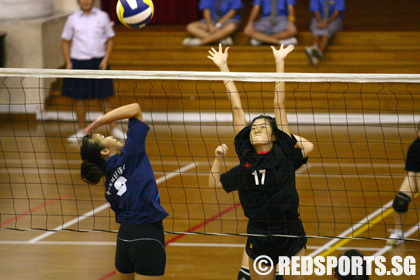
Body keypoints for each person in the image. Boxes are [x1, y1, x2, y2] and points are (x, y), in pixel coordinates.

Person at [208, 43, 313, 280]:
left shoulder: (284, 149)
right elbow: (236, 106)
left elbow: (280, 104)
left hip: (289, 231)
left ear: (274, 135)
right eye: (254, 127)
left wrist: (280, 61)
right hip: (259, 232)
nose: (256, 129)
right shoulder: (246, 153)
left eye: (263, 127)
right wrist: (223, 66)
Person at [80, 102, 169, 279]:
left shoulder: (108, 185)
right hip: (148, 236)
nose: (111, 136)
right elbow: (136, 108)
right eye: (104, 137)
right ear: (105, 151)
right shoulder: (131, 154)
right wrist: (100, 121)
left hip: (124, 241)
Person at [61, 0, 125, 143]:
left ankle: (114, 128)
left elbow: (110, 39)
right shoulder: (72, 19)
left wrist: (106, 59)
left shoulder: (102, 16)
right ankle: (83, 131)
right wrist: (69, 62)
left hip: (99, 62)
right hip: (78, 62)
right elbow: (65, 41)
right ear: (78, 1)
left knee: (104, 97)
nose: (85, 1)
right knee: (78, 98)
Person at [387, 132, 420, 246]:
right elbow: (416, 175)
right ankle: (398, 233)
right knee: (400, 202)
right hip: (417, 174)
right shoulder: (415, 148)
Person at [304, 0, 345, 66]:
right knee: (316, 32)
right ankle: (315, 51)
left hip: (333, 20)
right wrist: (320, 22)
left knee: (325, 34)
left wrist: (327, 22)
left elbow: (336, 13)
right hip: (319, 19)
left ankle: (315, 55)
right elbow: (316, 11)